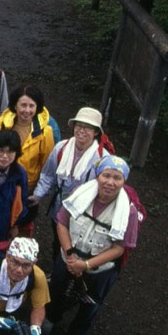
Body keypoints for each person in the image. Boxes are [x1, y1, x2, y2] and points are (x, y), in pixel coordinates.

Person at [47, 156, 139, 335]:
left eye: (117, 178)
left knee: (91, 302)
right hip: (68, 256)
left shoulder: (128, 212)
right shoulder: (78, 194)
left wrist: (86, 265)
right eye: (106, 175)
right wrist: (71, 256)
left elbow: (119, 248)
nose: (110, 182)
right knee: (56, 287)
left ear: (124, 182)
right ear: (98, 175)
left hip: (100, 269)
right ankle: (50, 319)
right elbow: (62, 222)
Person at [30, 107, 110, 258]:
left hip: (84, 213)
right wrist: (37, 195)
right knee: (57, 240)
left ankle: (74, 274)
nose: (81, 130)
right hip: (60, 207)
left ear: (96, 132)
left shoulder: (102, 159)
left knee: (78, 246)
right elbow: (48, 175)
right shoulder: (61, 148)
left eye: (87, 128)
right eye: (79, 126)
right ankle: (57, 272)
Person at [0, 85, 55, 235]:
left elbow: (47, 166)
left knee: (23, 225)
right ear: (15, 105)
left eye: (31, 106)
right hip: (1, 183)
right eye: (23, 105)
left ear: (37, 107)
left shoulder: (45, 132)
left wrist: (38, 193)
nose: (27, 110)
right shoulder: (3, 124)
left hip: (28, 190)